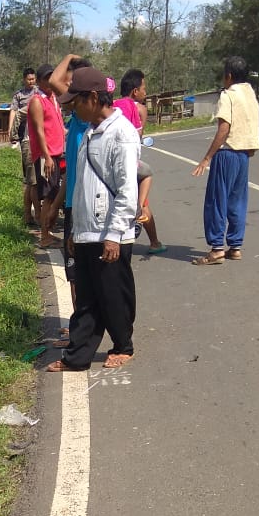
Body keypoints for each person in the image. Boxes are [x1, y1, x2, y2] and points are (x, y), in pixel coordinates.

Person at [46, 67, 140, 373]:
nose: (73, 107)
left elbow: (127, 189)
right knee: (86, 299)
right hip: (88, 229)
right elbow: (83, 184)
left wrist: (114, 234)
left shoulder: (121, 133)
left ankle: (123, 345)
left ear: (95, 98)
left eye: (78, 101)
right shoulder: (88, 131)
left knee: (113, 295)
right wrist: (75, 230)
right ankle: (78, 356)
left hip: (109, 231)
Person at [191, 56, 259, 265]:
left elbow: (224, 127)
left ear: (229, 76)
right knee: (237, 201)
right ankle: (235, 246)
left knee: (216, 201)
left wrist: (207, 157)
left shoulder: (228, 95)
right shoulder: (251, 94)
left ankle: (216, 249)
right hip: (243, 154)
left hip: (227, 153)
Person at [48, 54, 93, 343]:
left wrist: (70, 58)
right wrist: (56, 204)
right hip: (72, 203)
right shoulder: (76, 117)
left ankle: (82, 328)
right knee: (74, 271)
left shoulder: (82, 116)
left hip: (84, 205)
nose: (67, 86)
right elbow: (72, 172)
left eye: (74, 83)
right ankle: (80, 323)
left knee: (80, 271)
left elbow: (54, 80)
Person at [113, 69, 166, 254]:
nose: (145, 92)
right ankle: (154, 242)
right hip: (130, 162)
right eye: (143, 88)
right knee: (144, 195)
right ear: (135, 91)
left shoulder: (112, 105)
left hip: (111, 163)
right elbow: (138, 135)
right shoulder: (140, 109)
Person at [27, 64, 66, 248]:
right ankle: (44, 236)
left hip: (57, 153)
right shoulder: (37, 101)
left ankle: (48, 232)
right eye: (47, 78)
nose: (50, 82)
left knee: (53, 193)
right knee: (48, 196)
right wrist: (47, 156)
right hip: (46, 155)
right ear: (40, 81)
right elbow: (39, 130)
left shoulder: (53, 99)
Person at [8, 68, 39, 226]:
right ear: (24, 79)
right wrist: (11, 130)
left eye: (33, 79)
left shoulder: (39, 93)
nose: (31, 82)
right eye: (29, 79)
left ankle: (37, 213)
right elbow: (14, 112)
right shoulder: (19, 95)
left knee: (34, 177)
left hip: (38, 135)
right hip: (25, 135)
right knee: (30, 178)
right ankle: (30, 214)